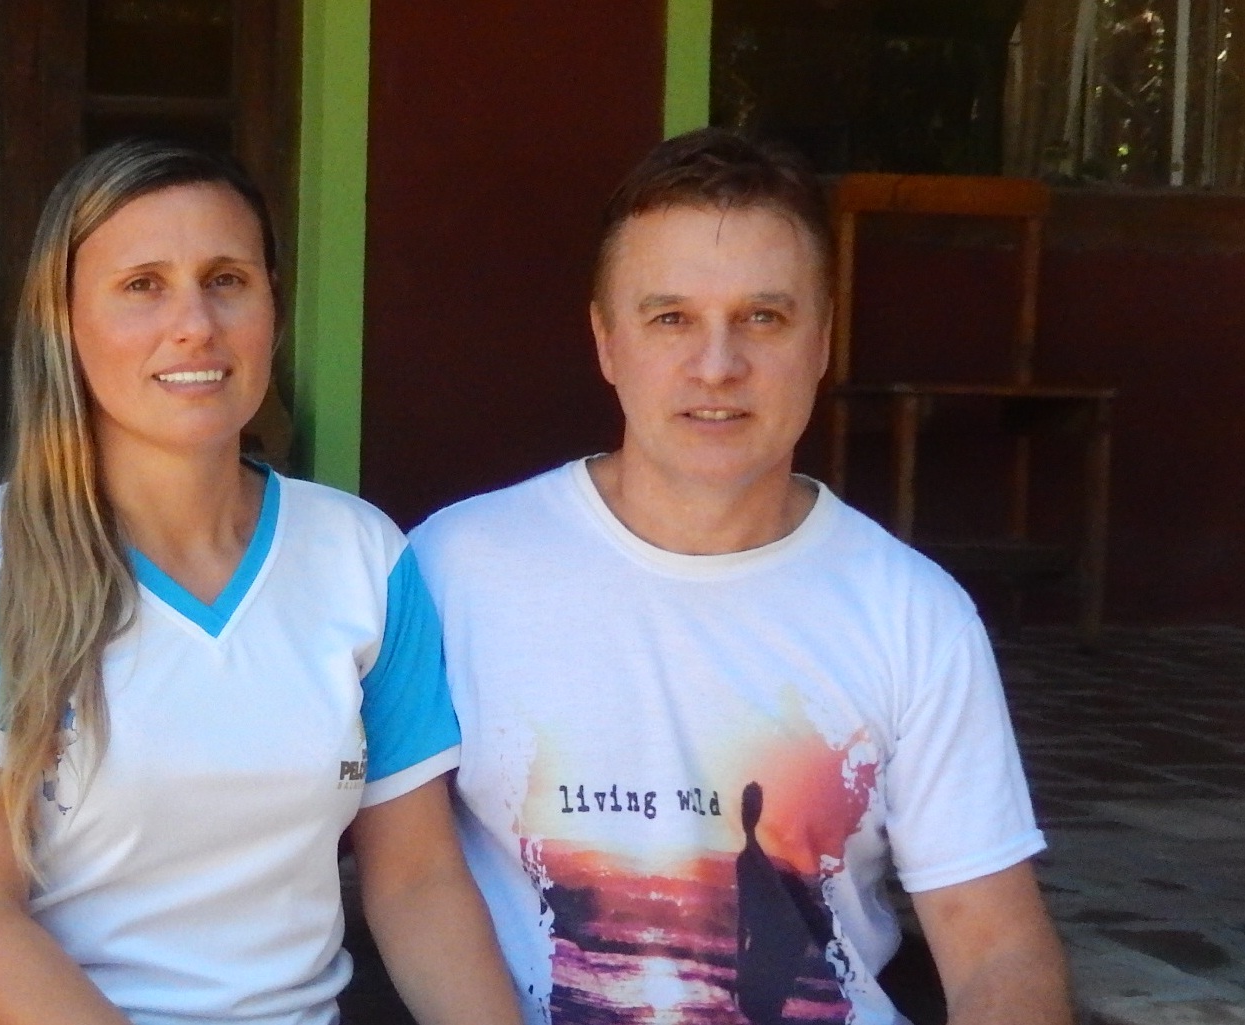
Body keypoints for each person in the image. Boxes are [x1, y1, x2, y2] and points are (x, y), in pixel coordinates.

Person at [409, 128, 1074, 1025]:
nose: (717, 366)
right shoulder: (454, 570)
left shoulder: (913, 613)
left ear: (822, 340)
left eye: (762, 317)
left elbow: (997, 948)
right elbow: (394, 873)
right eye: (670, 318)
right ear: (606, 341)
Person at [0, 138, 521, 1025]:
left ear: (273, 308)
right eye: (142, 285)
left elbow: (417, 881)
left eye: (226, 280)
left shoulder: (362, 554)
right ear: (63, 320)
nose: (195, 324)